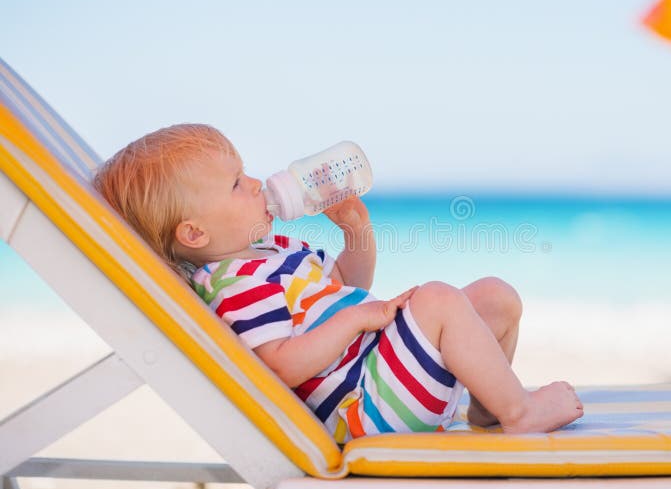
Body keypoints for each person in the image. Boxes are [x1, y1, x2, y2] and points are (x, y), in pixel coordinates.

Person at [94, 123, 584, 442]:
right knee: (437, 298)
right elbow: (281, 365)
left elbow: (352, 279)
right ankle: (519, 414)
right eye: (237, 184)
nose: (257, 184)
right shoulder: (234, 284)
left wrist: (354, 228)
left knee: (495, 296)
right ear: (195, 233)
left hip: (381, 370)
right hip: (362, 404)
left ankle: (488, 409)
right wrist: (353, 321)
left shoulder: (275, 251)